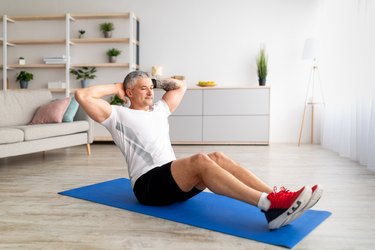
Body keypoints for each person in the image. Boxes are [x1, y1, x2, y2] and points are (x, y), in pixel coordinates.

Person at [75, 70, 323, 230]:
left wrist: (153, 80)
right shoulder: (118, 115)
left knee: (218, 157)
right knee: (201, 160)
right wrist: (117, 86)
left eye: (151, 88)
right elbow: (82, 94)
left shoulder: (160, 109)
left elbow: (180, 86)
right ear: (129, 93)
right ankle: (269, 206)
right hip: (148, 185)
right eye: (143, 88)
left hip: (173, 182)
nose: (151, 91)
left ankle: (279, 198)